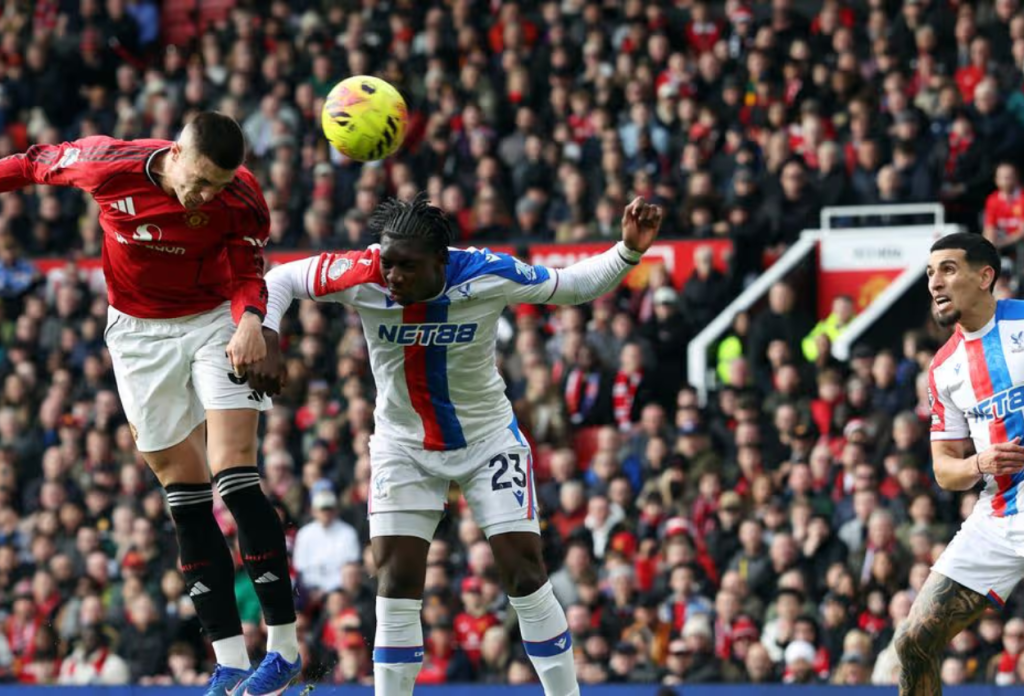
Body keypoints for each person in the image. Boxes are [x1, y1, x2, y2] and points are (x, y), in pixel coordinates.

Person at [252, 194, 664, 696]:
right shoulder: (363, 273)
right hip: (403, 446)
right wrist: (267, 332)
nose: (392, 276)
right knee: (396, 582)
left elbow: (571, 286)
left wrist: (628, 250)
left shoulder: (487, 273)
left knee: (524, 573)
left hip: (487, 441)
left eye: (407, 266)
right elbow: (281, 278)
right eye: (388, 263)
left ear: (440, 262)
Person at [0, 112, 300, 696]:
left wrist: (251, 320)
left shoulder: (240, 195)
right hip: (138, 335)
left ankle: (284, 650)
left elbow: (247, 268)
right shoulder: (106, 165)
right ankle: (230, 664)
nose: (206, 195)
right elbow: (33, 164)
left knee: (235, 474)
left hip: (215, 321)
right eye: (200, 181)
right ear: (176, 153)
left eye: (217, 185)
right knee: (184, 496)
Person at [895, 232, 1024, 694]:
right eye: (931, 273)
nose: (935, 282)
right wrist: (979, 463)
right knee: (913, 642)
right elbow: (944, 470)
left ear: (985, 276)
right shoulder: (943, 368)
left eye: (948, 269)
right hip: (999, 515)